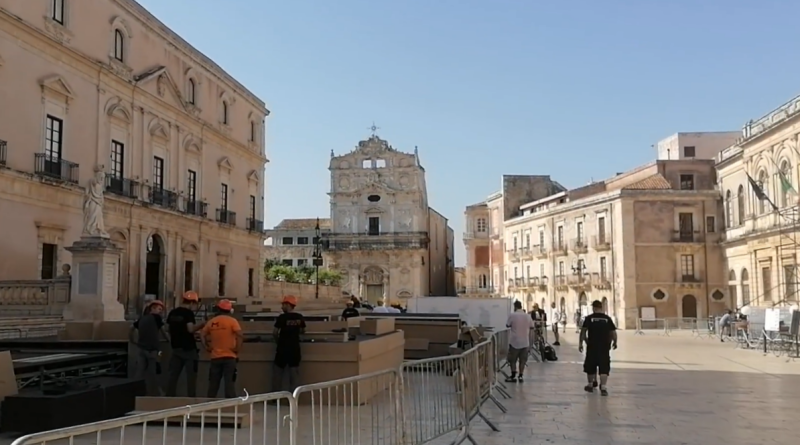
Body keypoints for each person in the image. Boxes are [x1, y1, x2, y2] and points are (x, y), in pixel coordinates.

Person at [165, 291, 205, 397]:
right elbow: (190, 329)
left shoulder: (173, 312)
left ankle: (169, 397)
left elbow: (168, 329)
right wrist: (202, 325)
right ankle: (191, 399)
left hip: (175, 348)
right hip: (188, 349)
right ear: (192, 303)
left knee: (173, 376)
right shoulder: (188, 313)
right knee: (191, 376)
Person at [201, 299, 243, 398]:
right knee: (229, 383)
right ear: (229, 310)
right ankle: (230, 406)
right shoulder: (233, 321)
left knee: (213, 384)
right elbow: (240, 335)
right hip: (230, 357)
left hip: (215, 357)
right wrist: (237, 348)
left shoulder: (212, 321)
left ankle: (209, 405)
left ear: (219, 309)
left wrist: (206, 346)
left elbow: (202, 334)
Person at [130, 300, 170, 396]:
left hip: (141, 349)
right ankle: (159, 393)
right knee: (155, 372)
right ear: (153, 308)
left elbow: (131, 328)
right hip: (153, 350)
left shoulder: (142, 318)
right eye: (159, 309)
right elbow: (163, 331)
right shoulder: (157, 318)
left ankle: (135, 393)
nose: (160, 311)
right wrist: (169, 340)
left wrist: (132, 340)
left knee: (139, 373)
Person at [578, 300, 617, 396]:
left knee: (591, 364)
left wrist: (582, 342)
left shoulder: (589, 318)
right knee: (604, 365)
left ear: (594, 308)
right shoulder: (607, 319)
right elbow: (613, 332)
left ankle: (590, 384)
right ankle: (603, 387)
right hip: (604, 346)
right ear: (601, 307)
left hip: (592, 346)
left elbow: (583, 332)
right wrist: (615, 342)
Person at [273, 295, 306, 392]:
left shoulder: (282, 318)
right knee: (294, 374)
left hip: (282, 349)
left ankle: (275, 397)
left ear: (288, 305)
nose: (282, 307)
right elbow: (303, 331)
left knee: (277, 374)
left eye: (283, 305)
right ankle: (293, 397)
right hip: (295, 349)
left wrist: (278, 342)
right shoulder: (299, 317)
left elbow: (275, 333)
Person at [505, 300, 533, 383]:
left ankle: (513, 375)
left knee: (512, 360)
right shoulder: (527, 316)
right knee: (523, 360)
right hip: (525, 341)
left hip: (515, 341)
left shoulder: (512, 315)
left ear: (515, 307)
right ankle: (521, 375)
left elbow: (507, 324)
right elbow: (532, 326)